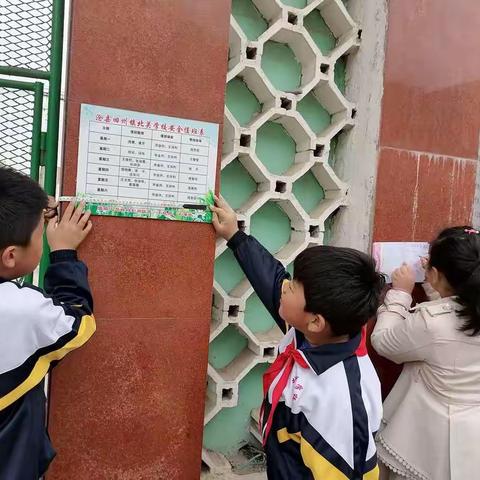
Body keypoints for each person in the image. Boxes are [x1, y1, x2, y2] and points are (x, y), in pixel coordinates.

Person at [211, 196, 385, 479]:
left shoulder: (341, 400)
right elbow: (271, 280)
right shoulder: (313, 332)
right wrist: (235, 236)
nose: (285, 286)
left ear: (316, 320)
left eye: (294, 286)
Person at [0, 167, 96, 479]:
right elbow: (77, 323)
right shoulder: (20, 309)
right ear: (11, 256)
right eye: (40, 232)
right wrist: (64, 254)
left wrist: (31, 207)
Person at [371, 226, 480, 480]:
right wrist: (438, 292)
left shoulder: (432, 323)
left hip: (425, 438)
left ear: (436, 274)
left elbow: (384, 342)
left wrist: (399, 294)